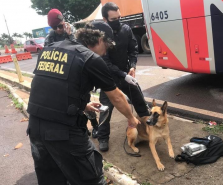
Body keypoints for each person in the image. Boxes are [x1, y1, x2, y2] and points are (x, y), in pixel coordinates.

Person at [26, 21, 140, 185]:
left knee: (52, 180)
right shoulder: (90, 58)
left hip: (35, 128)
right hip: (64, 132)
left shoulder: (50, 49)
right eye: (107, 47)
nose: (105, 52)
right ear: (100, 40)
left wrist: (83, 105)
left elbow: (52, 88)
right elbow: (116, 97)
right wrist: (131, 118)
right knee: (91, 179)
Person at [94, 2, 150, 152]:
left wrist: (132, 66)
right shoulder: (101, 36)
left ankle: (148, 128)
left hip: (126, 72)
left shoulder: (126, 29)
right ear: (105, 19)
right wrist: (122, 75)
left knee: (139, 101)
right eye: (113, 19)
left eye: (119, 17)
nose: (118, 21)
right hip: (108, 78)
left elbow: (133, 49)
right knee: (106, 109)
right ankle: (103, 138)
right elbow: (104, 61)